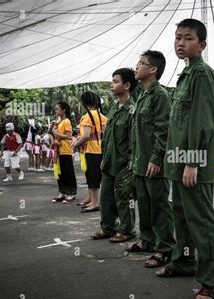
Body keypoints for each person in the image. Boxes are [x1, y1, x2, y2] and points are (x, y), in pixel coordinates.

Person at [157, 18, 214, 299]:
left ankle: (213, 281)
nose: (181, 43)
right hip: (178, 162)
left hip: (191, 162)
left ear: (202, 44)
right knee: (181, 217)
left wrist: (192, 161)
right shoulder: (186, 75)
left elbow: (202, 122)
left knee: (200, 219)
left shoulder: (201, 74)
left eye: (187, 38)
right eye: (177, 38)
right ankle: (184, 263)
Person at [124, 50, 177, 269]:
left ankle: (164, 247)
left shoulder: (160, 95)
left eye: (141, 63)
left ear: (153, 69)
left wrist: (156, 159)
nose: (136, 67)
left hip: (155, 163)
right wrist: (134, 159)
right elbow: (138, 134)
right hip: (140, 163)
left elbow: (163, 131)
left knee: (160, 206)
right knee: (144, 204)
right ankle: (147, 240)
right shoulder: (142, 96)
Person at [91, 68, 138, 242]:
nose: (112, 85)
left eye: (116, 82)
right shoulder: (113, 109)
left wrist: (132, 161)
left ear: (127, 85)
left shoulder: (133, 110)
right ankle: (108, 228)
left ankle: (126, 230)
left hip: (124, 163)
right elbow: (107, 137)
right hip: (110, 161)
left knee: (124, 198)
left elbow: (135, 139)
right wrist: (104, 157)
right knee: (106, 197)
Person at [72, 92, 107, 213]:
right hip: (100, 149)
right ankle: (93, 201)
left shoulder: (88, 116)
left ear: (83, 103)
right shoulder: (101, 116)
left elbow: (86, 135)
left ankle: (95, 203)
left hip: (91, 150)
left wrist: (75, 145)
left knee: (92, 177)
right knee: (95, 176)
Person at [49, 102, 77, 203]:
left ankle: (71, 193)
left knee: (67, 172)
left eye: (57, 109)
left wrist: (56, 133)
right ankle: (62, 192)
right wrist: (52, 128)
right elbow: (51, 133)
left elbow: (69, 137)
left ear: (63, 110)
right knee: (59, 173)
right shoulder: (58, 122)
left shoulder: (66, 121)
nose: (55, 110)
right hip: (58, 151)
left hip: (65, 150)